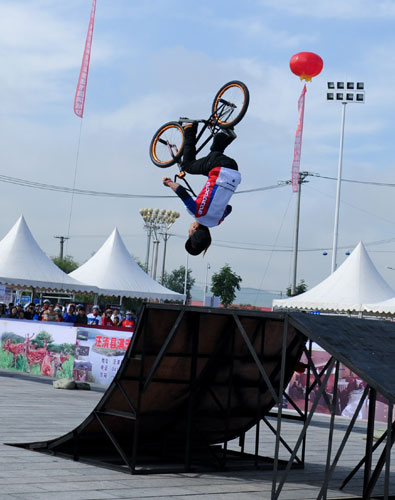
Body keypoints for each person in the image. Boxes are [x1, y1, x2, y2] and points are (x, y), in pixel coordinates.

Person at [163, 123, 241, 256]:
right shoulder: (196, 212)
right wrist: (169, 182)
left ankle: (226, 136)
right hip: (219, 167)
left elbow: (229, 208)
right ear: (194, 229)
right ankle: (189, 129)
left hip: (234, 172)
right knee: (188, 165)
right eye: (189, 233)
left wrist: (216, 204)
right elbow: (182, 192)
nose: (189, 230)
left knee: (214, 154)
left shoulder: (217, 221)